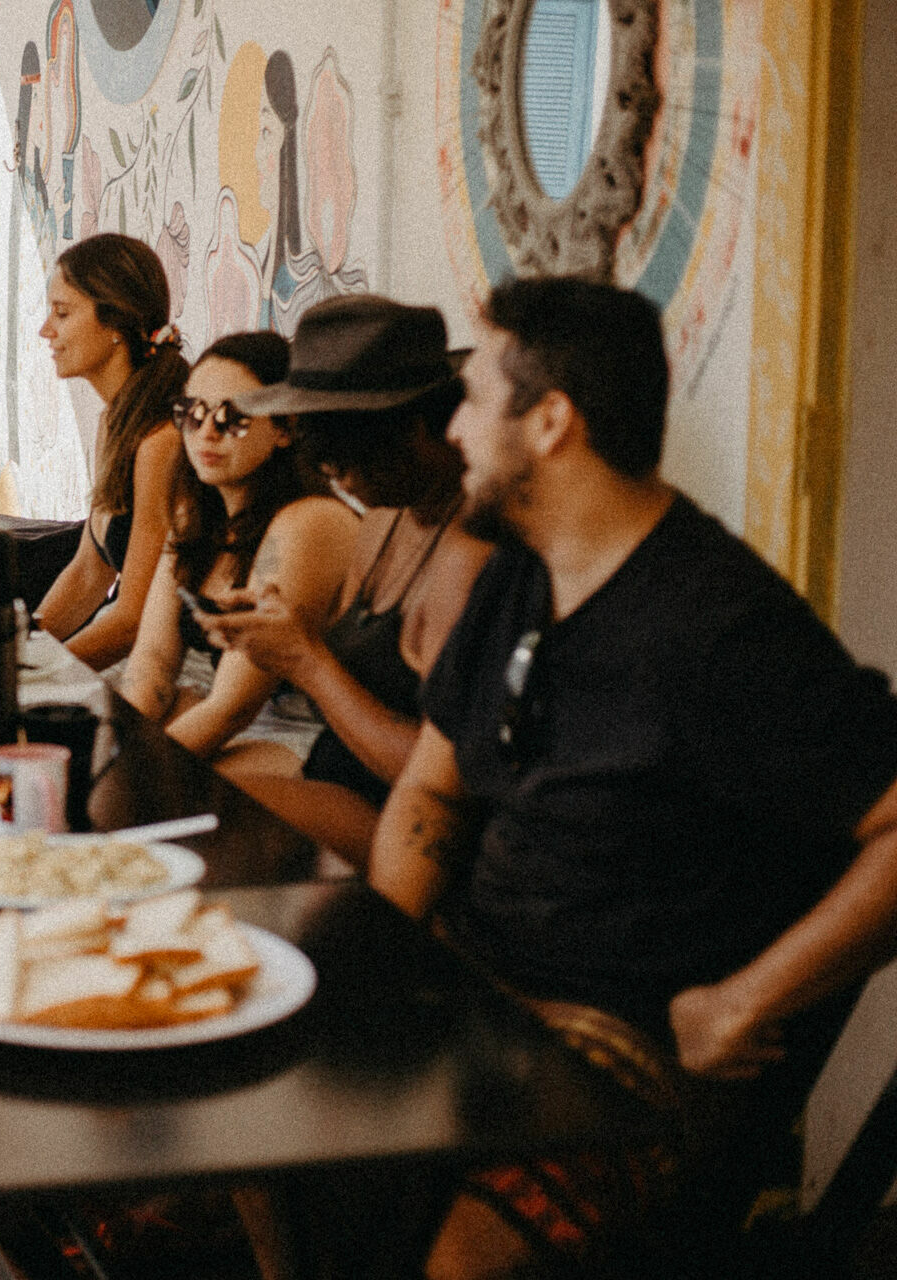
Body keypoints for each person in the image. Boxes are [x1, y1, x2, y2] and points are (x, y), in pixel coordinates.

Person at [370, 277, 897, 1277]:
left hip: (619, 1042)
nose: (453, 425)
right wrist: (371, 968)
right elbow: (433, 789)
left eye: (475, 396)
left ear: (552, 420)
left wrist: (742, 1001)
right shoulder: (520, 570)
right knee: (244, 1129)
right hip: (478, 989)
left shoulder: (721, 628)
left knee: (460, 1259)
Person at [196, 296, 490, 860]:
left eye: (353, 448)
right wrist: (272, 629)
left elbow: (446, 783)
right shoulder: (384, 512)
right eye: (319, 446)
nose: (334, 470)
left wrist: (306, 661)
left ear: (423, 427)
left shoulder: (473, 549)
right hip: (332, 771)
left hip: (407, 819)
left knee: (208, 824)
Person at [116, 330, 356, 763]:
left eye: (233, 417)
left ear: (284, 429)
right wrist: (121, 746)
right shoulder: (197, 516)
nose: (207, 432)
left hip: (306, 737)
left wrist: (128, 773)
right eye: (193, 412)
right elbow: (152, 658)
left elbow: (232, 708)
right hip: (234, 720)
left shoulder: (309, 522)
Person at [32, 232, 191, 671]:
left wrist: (35, 674)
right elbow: (89, 572)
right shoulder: (114, 422)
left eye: (62, 313)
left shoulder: (162, 440)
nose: (46, 329)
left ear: (116, 321)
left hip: (180, 666)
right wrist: (22, 647)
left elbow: (133, 621)